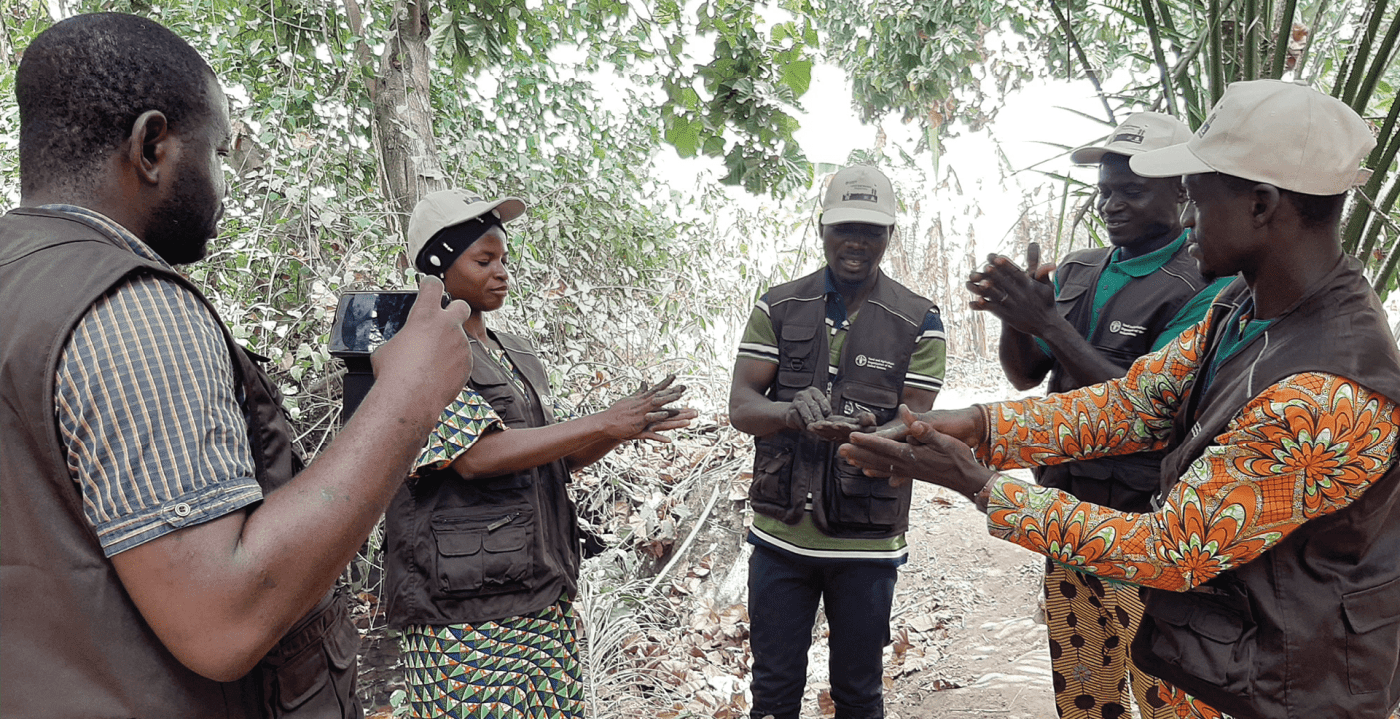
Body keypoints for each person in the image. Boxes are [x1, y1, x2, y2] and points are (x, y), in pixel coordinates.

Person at [841, 80, 1400, 719]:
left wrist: (979, 484)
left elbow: (1170, 549)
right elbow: (1135, 403)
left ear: (1261, 205)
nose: (1187, 221)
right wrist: (974, 425)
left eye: (1196, 201)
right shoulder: (1242, 306)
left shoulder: (1323, 393)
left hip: (1288, 686)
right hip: (1227, 656)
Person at [0, 13, 475, 719]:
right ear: (152, 146)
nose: (226, 184)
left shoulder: (18, 277)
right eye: (218, 152)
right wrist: (409, 397)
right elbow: (223, 619)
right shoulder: (132, 310)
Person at [383, 189, 697, 719]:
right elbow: (474, 457)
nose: (501, 272)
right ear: (437, 268)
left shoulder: (515, 353)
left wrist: (619, 430)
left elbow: (551, 458)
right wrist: (601, 420)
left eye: (503, 259)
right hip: (462, 612)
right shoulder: (418, 353)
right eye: (484, 261)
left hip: (540, 590)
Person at [967, 111, 1233, 719]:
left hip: (1146, 529)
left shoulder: (1205, 286)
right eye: (1105, 191)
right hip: (1068, 514)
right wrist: (1016, 318)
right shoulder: (1080, 269)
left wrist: (1048, 322)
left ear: (1182, 193)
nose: (1111, 205)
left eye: (1131, 192)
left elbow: (1150, 405)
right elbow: (1027, 375)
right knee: (1085, 691)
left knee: (1164, 693)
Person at [728, 166, 946, 719]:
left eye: (871, 231)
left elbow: (917, 427)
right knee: (772, 693)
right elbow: (742, 407)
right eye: (845, 227)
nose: (856, 242)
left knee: (859, 693)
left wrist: (871, 434)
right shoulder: (778, 306)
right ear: (821, 228)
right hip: (779, 539)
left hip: (866, 545)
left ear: (889, 235)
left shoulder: (919, 320)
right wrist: (789, 412)